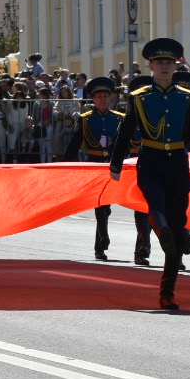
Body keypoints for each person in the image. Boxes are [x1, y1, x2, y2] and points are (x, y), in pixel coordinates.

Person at [109, 38, 190, 310]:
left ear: (175, 67)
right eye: (159, 62)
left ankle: (167, 293)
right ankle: (163, 234)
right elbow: (126, 131)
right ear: (150, 66)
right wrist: (115, 163)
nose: (164, 66)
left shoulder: (187, 97)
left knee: (178, 223)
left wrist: (184, 154)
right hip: (150, 160)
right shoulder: (139, 98)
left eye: (168, 62)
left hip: (177, 163)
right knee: (156, 205)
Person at [64, 77, 128, 262]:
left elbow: (125, 142)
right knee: (101, 204)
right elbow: (74, 144)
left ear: (110, 98)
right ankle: (102, 240)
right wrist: (66, 166)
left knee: (105, 207)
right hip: (94, 163)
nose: (102, 100)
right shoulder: (85, 120)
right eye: (99, 96)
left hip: (112, 164)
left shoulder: (119, 118)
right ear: (93, 99)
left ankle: (100, 243)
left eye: (105, 96)